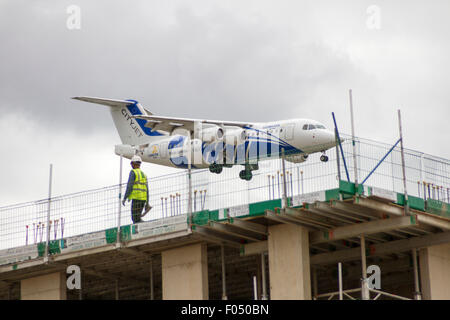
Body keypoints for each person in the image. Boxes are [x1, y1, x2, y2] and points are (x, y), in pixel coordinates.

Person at [122, 155, 151, 223]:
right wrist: (147, 202)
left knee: (135, 218)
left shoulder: (133, 172)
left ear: (133, 164)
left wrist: (125, 197)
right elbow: (147, 190)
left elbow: (129, 186)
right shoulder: (144, 174)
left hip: (136, 199)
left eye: (131, 163)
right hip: (143, 199)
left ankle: (142, 227)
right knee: (137, 218)